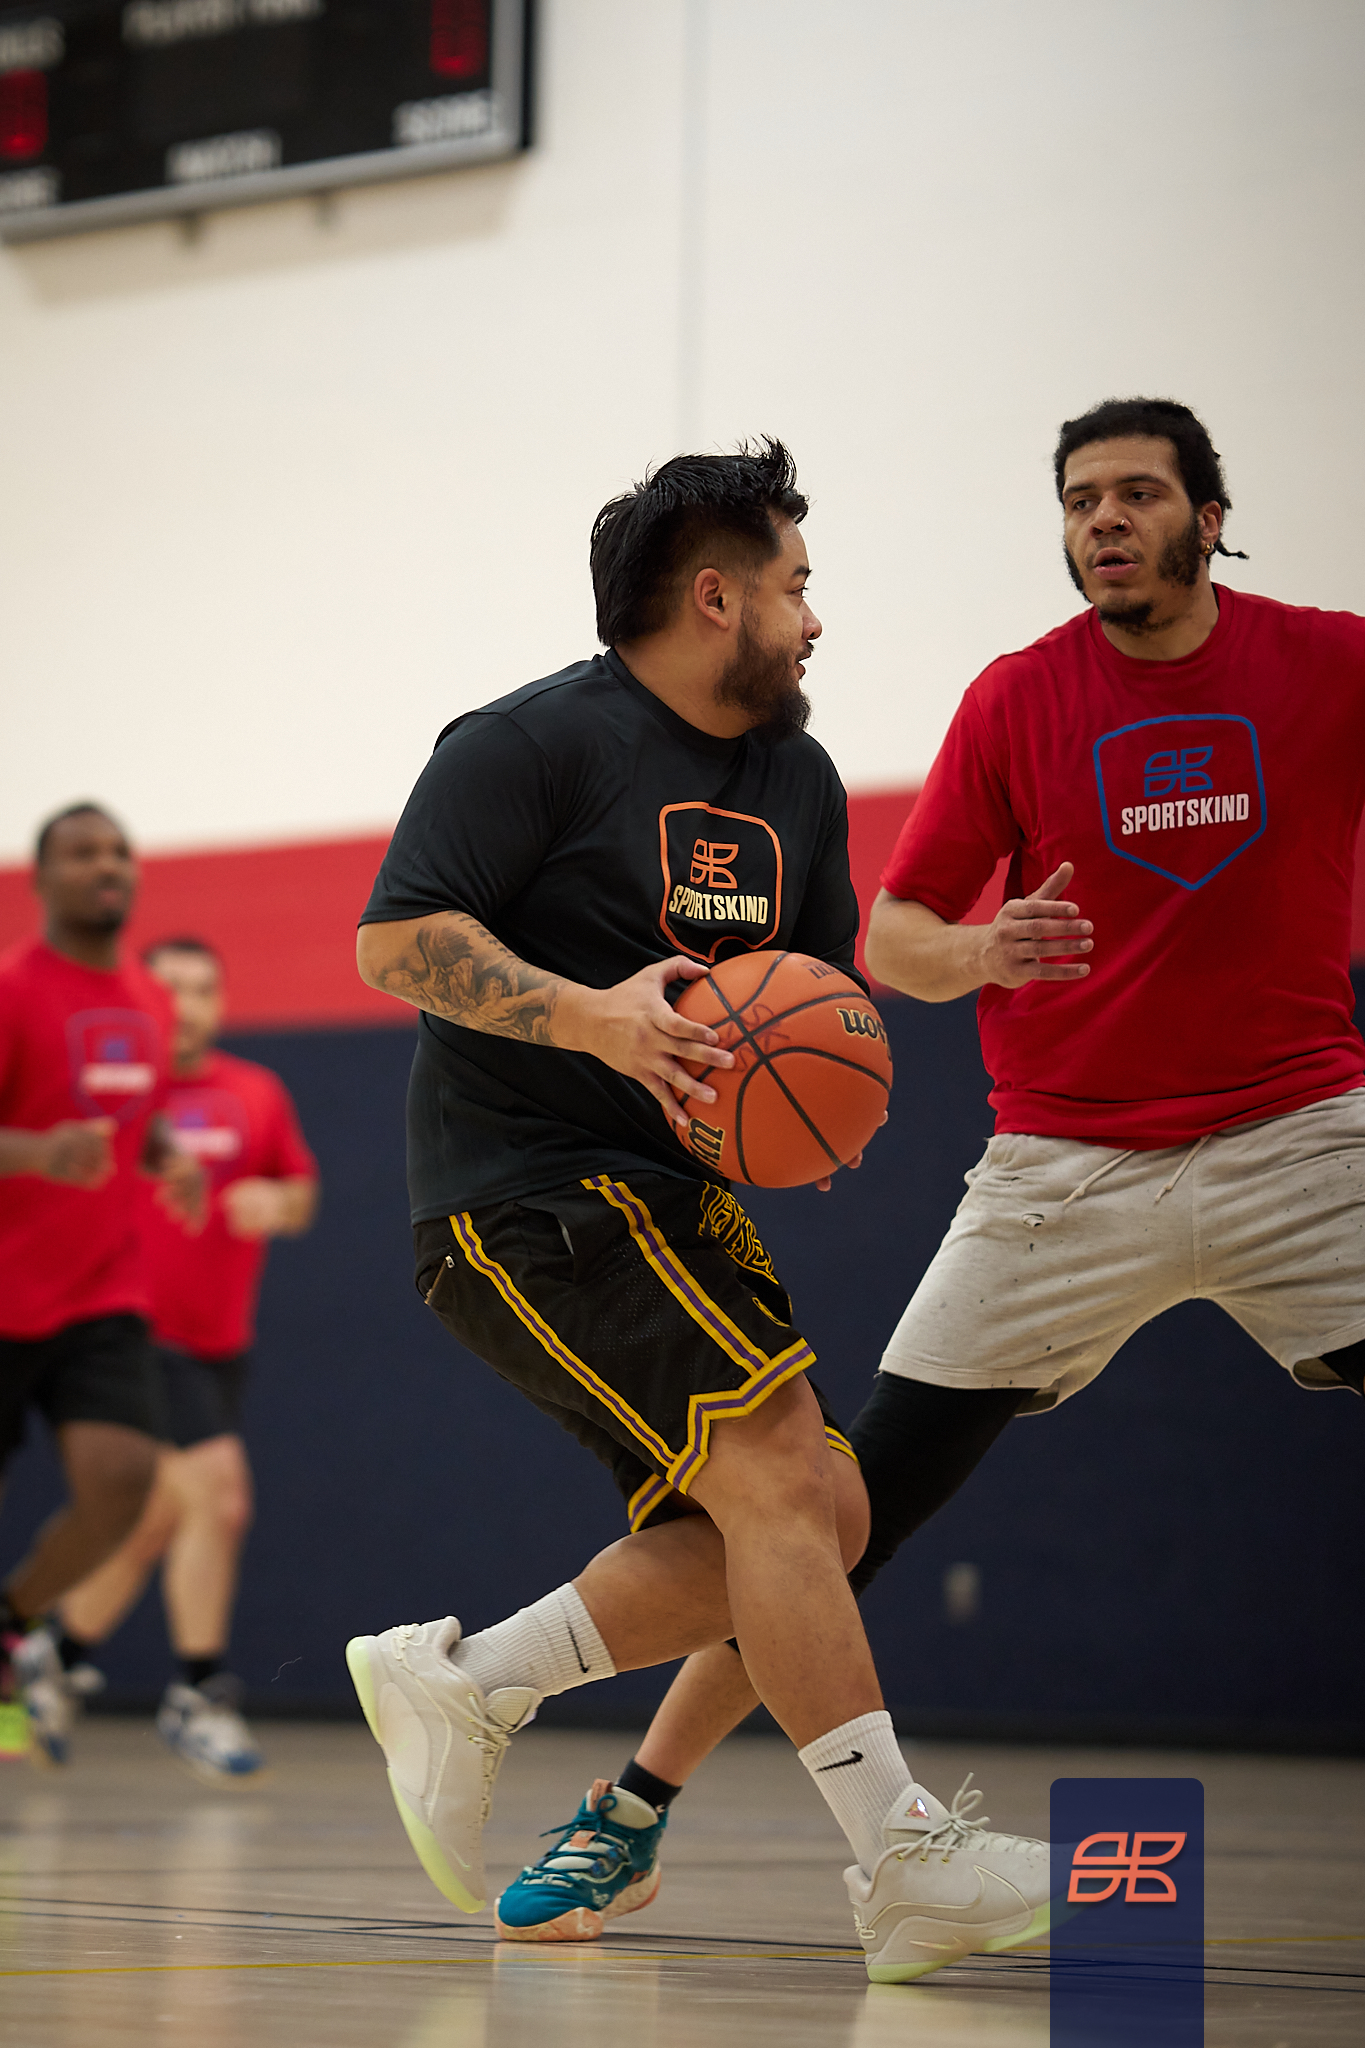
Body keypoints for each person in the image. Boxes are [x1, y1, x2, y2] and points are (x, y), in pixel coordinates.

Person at [507, 394, 1365, 1934]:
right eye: (1080, 498)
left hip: (1298, 1140)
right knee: (842, 1512)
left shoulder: (1329, 664)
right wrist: (983, 951)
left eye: (1137, 493)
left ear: (1210, 517)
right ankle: (626, 1815)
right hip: (1063, 1172)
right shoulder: (1018, 698)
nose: (1103, 520)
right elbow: (896, 938)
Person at [346, 441, 1052, 1986]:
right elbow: (393, 945)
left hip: (671, 1195)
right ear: (716, 597)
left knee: (823, 1518)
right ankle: (901, 1856)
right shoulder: (531, 741)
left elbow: (811, 1000)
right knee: (791, 1479)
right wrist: (593, 1019)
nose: (815, 617)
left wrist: (821, 1103)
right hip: (520, 1187)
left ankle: (470, 1681)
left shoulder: (797, 780)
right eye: (797, 586)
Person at [47, 936, 319, 1782]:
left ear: (221, 1003)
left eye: (202, 989)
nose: (186, 1006)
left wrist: (276, 1201)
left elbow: (300, 1192)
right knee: (221, 1498)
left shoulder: (256, 1092)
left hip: (216, 1347)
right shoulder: (108, 1097)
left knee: (153, 1523)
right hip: (127, 1332)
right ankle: (199, 1692)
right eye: (168, 990)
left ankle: (53, 1657)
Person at [0, 805, 203, 1764]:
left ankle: (12, 1624)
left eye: (118, 850)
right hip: (6, 1287)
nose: (106, 865)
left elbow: (136, 1111)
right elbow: (43, 1126)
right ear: (41, 877)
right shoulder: (13, 990)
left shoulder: (149, 999)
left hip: (100, 1288)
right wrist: (37, 1151)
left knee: (124, 1481)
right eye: (82, 853)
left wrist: (166, 1154)